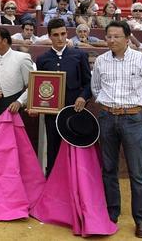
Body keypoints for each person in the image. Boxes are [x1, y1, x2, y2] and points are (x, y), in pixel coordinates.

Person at [91, 20, 142, 239]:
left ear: (127, 38)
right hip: (107, 117)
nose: (111, 40)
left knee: (137, 171)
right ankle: (112, 214)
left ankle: (141, 220)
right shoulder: (101, 60)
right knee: (108, 169)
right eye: (108, 36)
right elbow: (96, 88)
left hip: (132, 118)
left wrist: (136, 108)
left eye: (116, 36)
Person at [32, 18, 92, 175]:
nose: (60, 38)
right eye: (56, 35)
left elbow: (89, 84)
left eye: (63, 34)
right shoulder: (43, 59)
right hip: (52, 113)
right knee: (53, 145)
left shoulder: (79, 55)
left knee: (74, 146)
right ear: (49, 36)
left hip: (74, 110)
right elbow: (40, 87)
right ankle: (52, 181)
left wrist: (83, 98)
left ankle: (74, 181)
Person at [0, 28, 35, 115]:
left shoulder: (22, 58)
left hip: (13, 106)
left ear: (4, 41)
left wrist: (19, 102)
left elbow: (32, 86)